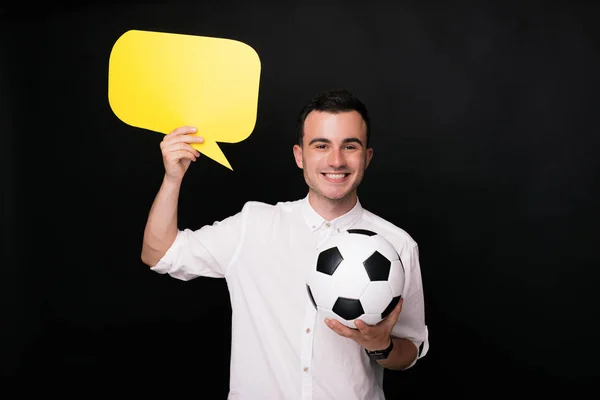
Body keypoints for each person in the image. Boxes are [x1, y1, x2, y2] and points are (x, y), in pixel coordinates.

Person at [141, 88, 429, 399]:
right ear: (299, 155)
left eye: (350, 146)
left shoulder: (398, 245)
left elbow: (411, 350)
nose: (336, 160)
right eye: (321, 145)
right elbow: (159, 254)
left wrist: (381, 346)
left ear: (367, 157)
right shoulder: (253, 224)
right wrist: (173, 177)